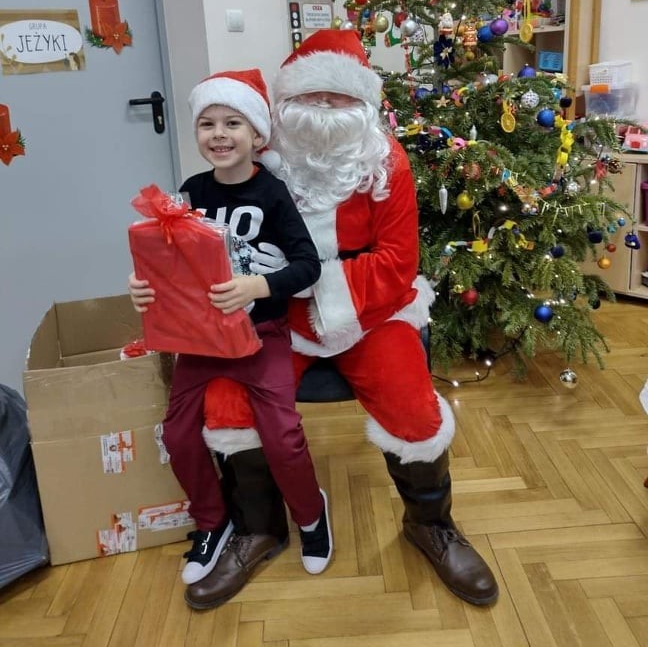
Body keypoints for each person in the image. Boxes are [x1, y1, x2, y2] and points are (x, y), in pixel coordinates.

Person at [187, 30, 499, 609]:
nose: (326, 108)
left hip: (373, 312)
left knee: (412, 407)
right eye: (313, 96)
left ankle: (431, 524)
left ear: (363, 104)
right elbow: (212, 241)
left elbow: (399, 262)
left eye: (340, 97)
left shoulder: (386, 163)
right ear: (286, 104)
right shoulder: (258, 160)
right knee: (228, 404)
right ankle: (259, 528)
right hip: (274, 314)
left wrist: (315, 291)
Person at [127, 68, 333, 598]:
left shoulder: (273, 194)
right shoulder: (190, 192)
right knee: (177, 434)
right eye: (207, 124)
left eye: (232, 123)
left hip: (262, 335)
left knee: (282, 436)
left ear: (256, 134)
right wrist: (143, 287)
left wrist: (258, 286)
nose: (219, 134)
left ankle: (311, 515)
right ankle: (212, 521)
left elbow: (308, 265)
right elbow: (169, 264)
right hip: (200, 341)